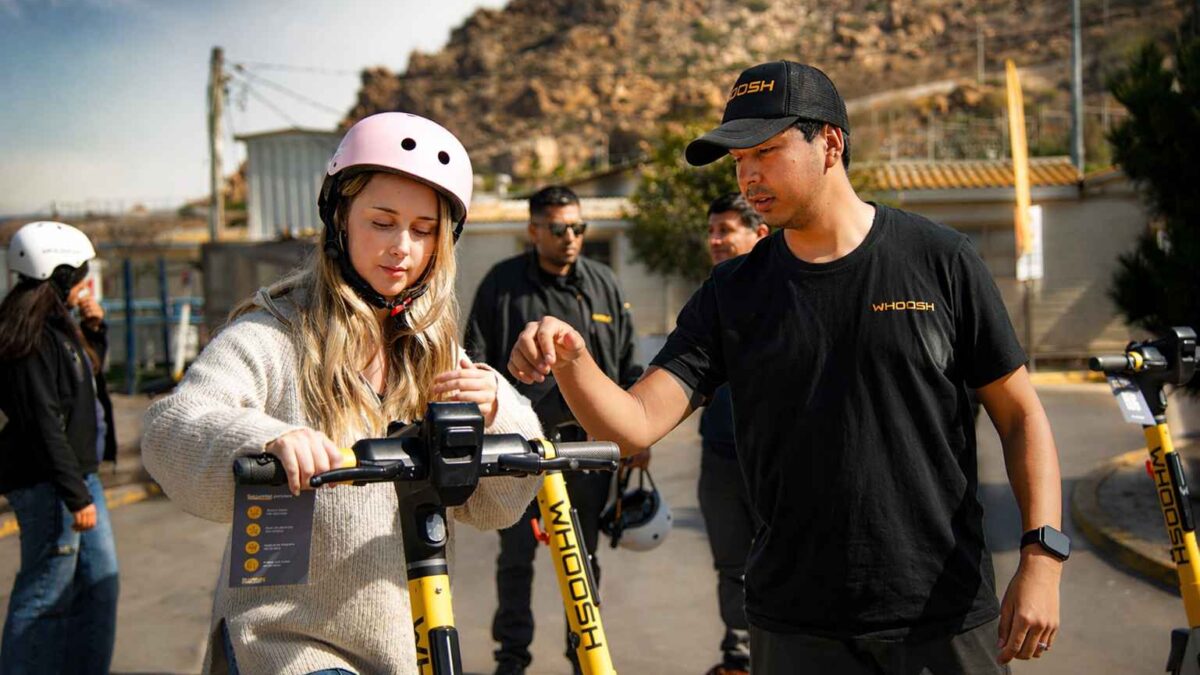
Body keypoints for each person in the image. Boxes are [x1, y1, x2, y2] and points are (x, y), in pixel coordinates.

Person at [508, 61, 1066, 674]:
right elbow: (634, 424)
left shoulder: (940, 261)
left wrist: (1042, 557)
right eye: (738, 161)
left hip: (944, 616)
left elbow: (1020, 417)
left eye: (765, 152)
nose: (748, 176)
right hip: (795, 628)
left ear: (829, 143)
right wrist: (573, 359)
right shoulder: (733, 291)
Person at [142, 112, 544, 675]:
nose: (401, 247)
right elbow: (170, 429)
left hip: (408, 648)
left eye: (424, 229)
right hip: (284, 642)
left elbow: (497, 506)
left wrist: (498, 409)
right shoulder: (274, 333)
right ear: (339, 219)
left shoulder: (433, 352)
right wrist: (268, 437)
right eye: (382, 221)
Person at [464, 185, 643, 675]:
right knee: (516, 559)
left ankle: (583, 656)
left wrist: (635, 438)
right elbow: (477, 362)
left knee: (582, 558)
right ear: (533, 230)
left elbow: (628, 363)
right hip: (517, 450)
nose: (571, 238)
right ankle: (512, 659)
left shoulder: (604, 283)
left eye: (579, 228)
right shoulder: (501, 286)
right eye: (559, 228)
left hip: (587, 451)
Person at [0, 221, 119, 675]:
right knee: (45, 593)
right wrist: (75, 493)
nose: (85, 281)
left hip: (76, 477)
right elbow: (43, 422)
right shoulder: (28, 338)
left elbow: (84, 383)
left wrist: (95, 328)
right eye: (79, 273)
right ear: (59, 274)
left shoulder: (55, 327)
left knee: (99, 586)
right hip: (53, 481)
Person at [697, 193, 767, 675]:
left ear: (758, 233)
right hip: (719, 455)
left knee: (783, 562)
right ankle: (738, 656)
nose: (717, 241)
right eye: (713, 231)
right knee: (731, 564)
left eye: (727, 230)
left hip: (776, 459)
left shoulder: (788, 293)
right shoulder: (710, 299)